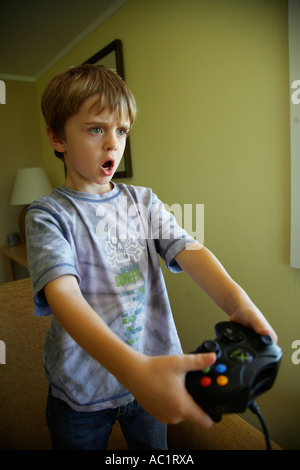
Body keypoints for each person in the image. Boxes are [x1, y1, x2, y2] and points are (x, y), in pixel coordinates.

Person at [25, 64, 277, 450]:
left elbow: (191, 251)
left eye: (121, 131)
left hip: (150, 377)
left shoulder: (143, 201)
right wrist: (133, 370)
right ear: (57, 137)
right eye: (96, 129)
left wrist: (237, 302)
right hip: (80, 394)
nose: (113, 143)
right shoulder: (47, 214)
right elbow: (64, 298)